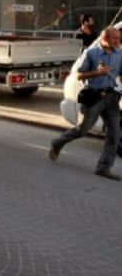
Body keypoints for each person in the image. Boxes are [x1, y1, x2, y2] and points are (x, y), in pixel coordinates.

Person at [50, 26, 121, 180]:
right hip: (94, 97)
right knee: (82, 130)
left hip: (112, 97)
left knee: (114, 135)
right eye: (115, 38)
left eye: (118, 38)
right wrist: (97, 72)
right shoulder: (91, 53)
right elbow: (78, 75)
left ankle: (103, 167)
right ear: (105, 39)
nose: (118, 41)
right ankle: (57, 143)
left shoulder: (119, 54)